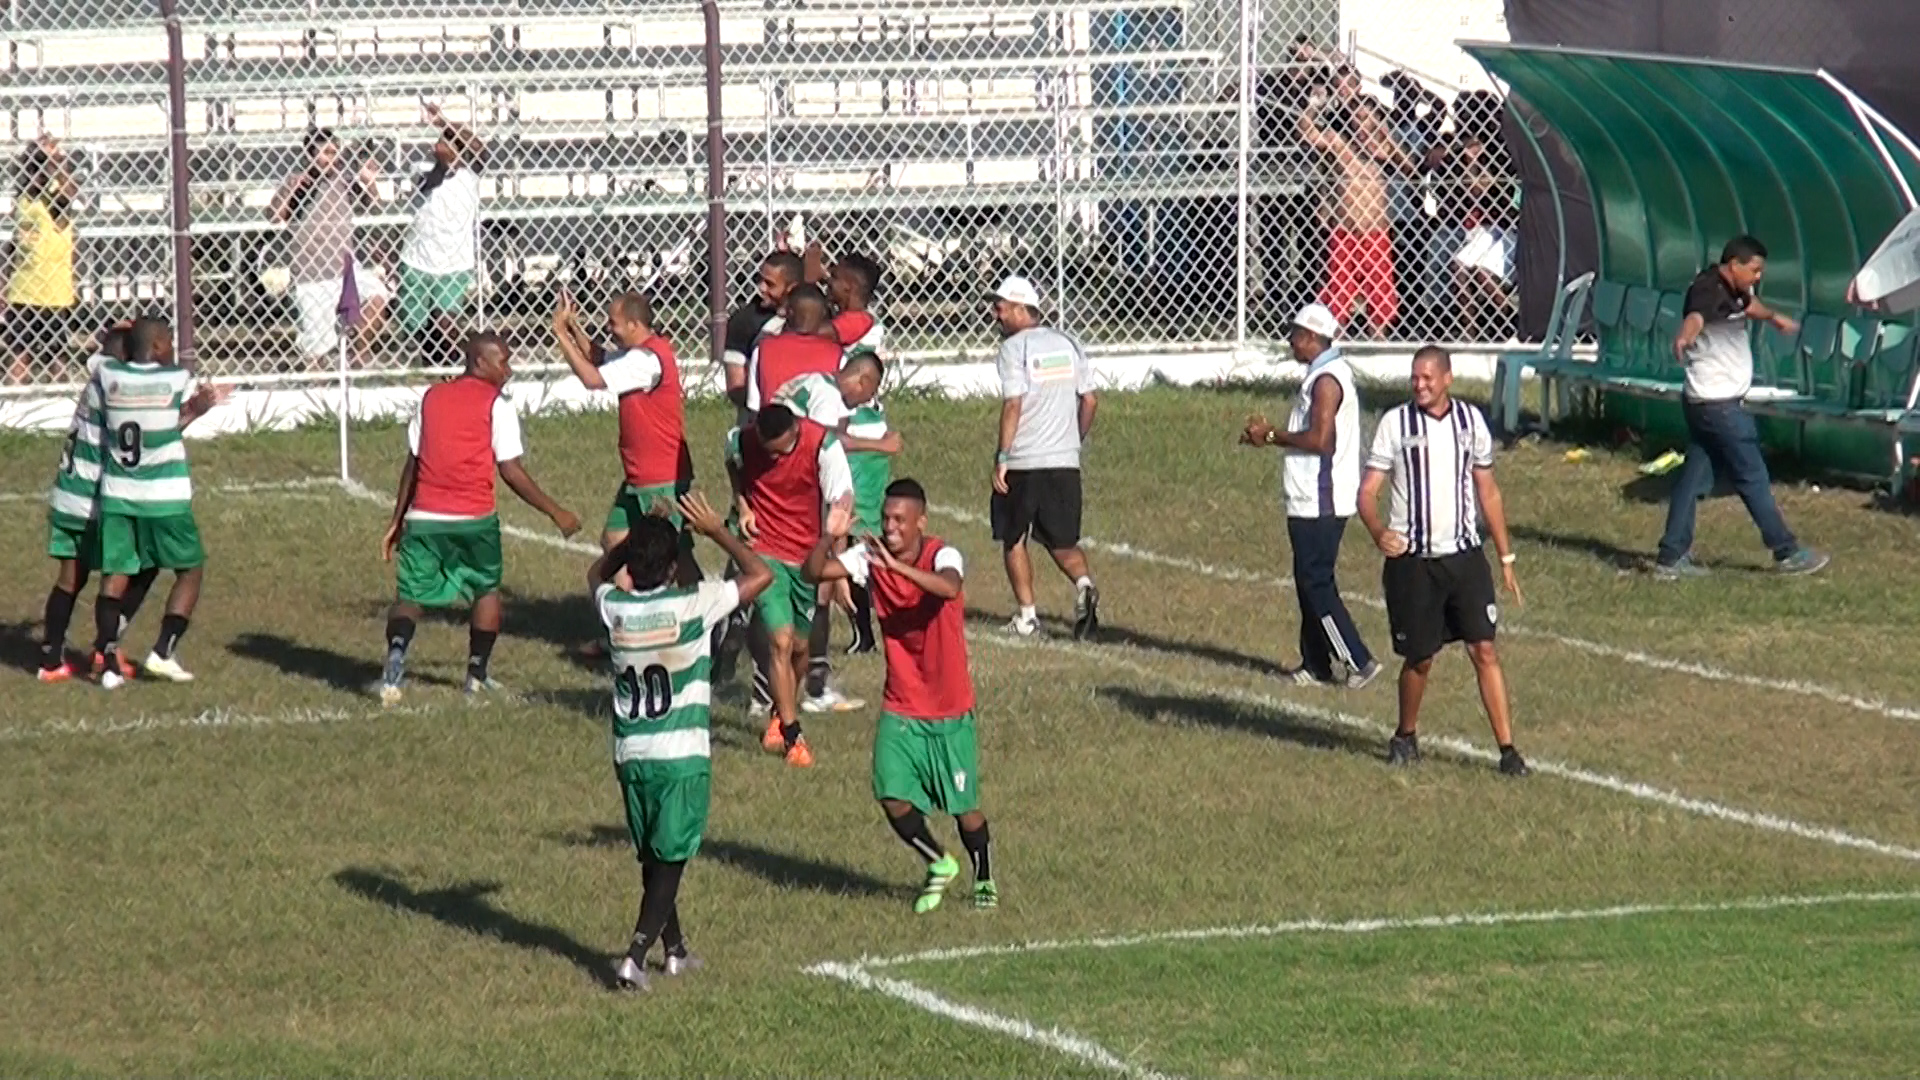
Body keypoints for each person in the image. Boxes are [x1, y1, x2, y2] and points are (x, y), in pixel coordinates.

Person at [590, 493, 773, 992]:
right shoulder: (691, 605)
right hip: (680, 755)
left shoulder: (617, 610)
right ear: (673, 567)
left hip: (630, 754)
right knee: (671, 857)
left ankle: (675, 950)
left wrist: (626, 545)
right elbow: (760, 575)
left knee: (654, 854)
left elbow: (595, 578)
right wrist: (716, 530)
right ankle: (634, 955)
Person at [803, 479, 998, 913]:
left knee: (965, 809)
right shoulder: (869, 557)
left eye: (899, 520)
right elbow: (813, 573)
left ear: (920, 523)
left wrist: (896, 569)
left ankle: (983, 872)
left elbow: (948, 587)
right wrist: (830, 536)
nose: (889, 526)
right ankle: (939, 863)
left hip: (949, 707)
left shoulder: (943, 554)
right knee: (890, 793)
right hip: (902, 702)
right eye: (886, 518)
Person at [377, 332, 581, 703]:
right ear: (480, 362)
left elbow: (414, 463)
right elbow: (511, 470)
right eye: (503, 361)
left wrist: (397, 519)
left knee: (409, 594)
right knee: (486, 589)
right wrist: (557, 511)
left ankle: (395, 658)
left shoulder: (432, 397)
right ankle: (476, 674)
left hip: (424, 517)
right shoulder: (496, 404)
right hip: (474, 517)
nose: (510, 369)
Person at [1356, 346, 1529, 776]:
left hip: (1465, 558)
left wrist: (1505, 556)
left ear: (1448, 378)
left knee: (1484, 648)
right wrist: (1379, 532)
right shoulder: (1395, 423)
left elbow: (1487, 491)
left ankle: (1507, 750)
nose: (1420, 384)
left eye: (1428, 377)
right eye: (1415, 377)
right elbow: (1367, 492)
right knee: (1420, 658)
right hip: (1414, 562)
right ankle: (1405, 734)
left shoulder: (1471, 422)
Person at [1655, 236, 1829, 579]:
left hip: (1705, 403)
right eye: (1754, 270)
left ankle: (1671, 557)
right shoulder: (1706, 291)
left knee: (1693, 478)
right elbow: (1695, 318)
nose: (1758, 277)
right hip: (1719, 406)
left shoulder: (1731, 288)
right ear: (1734, 264)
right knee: (1752, 477)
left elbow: (1748, 305)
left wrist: (1774, 318)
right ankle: (1786, 551)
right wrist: (1684, 337)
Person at [1240, 303, 1380, 689]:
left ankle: (1357, 658)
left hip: (1322, 496)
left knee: (1316, 580)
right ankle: (1315, 662)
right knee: (1306, 579)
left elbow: (1321, 440)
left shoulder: (1326, 381)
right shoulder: (1322, 375)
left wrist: (1270, 436)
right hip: (1310, 494)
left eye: (1295, 333)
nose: (1290, 340)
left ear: (1311, 338)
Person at [85, 317, 230, 688]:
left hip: (118, 496)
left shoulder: (109, 376)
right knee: (190, 570)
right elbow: (177, 411)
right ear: (159, 346)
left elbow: (161, 424)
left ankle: (108, 661)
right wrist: (204, 401)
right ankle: (163, 652)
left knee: (115, 577)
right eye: (168, 341)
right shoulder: (174, 379)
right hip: (164, 498)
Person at [726, 403, 854, 767]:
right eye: (768, 450)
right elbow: (733, 464)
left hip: (806, 556)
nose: (775, 457)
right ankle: (794, 737)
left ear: (796, 429)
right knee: (780, 641)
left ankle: (780, 716)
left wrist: (837, 571)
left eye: (781, 449)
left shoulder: (824, 448)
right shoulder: (740, 440)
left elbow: (840, 513)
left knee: (800, 646)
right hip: (763, 552)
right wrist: (743, 505)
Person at [773, 352, 902, 707]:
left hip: (775, 487)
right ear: (862, 381)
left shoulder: (811, 381)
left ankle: (754, 680)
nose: (868, 401)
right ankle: (813, 686)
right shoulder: (829, 401)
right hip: (799, 494)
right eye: (871, 391)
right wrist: (840, 565)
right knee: (818, 589)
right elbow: (827, 446)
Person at [38, 323, 160, 682]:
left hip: (67, 495)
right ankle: (105, 651)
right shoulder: (114, 386)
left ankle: (51, 659)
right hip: (95, 499)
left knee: (70, 579)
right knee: (142, 563)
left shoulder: (97, 374)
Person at [552, 288, 696, 577]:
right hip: (640, 475)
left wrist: (559, 333)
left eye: (614, 323)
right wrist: (573, 327)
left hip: (658, 476)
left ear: (634, 324)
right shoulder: (642, 353)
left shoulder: (643, 361)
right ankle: (629, 608)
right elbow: (602, 359)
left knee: (674, 554)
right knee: (615, 541)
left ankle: (698, 614)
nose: (610, 328)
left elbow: (593, 379)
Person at [987, 275, 1100, 640]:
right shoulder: (1070, 343)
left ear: (1021, 309)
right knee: (1062, 540)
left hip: (1024, 460)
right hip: (1064, 461)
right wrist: (1074, 440)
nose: (995, 314)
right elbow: (1090, 400)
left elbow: (1013, 404)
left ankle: (1027, 615)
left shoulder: (1013, 349)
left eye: (1001, 307)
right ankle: (1084, 585)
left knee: (1013, 537)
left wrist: (1003, 456)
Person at [1298, 67, 1415, 338]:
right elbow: (1308, 134)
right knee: (1339, 287)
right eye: (1356, 119)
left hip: (1375, 229)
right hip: (1345, 229)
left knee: (1380, 286)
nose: (1360, 125)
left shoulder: (1383, 146)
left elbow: (1410, 168)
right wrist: (1313, 107)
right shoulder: (1341, 144)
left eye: (1366, 119)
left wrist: (1387, 142)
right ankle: (1336, 334)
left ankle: (1378, 336)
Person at [270, 128, 388, 369]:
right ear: (310, 155)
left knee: (377, 297)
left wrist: (370, 183)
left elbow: (375, 208)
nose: (330, 159)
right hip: (312, 272)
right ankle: (318, 383)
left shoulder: (344, 181)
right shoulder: (300, 184)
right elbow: (273, 216)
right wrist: (290, 188)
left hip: (345, 267)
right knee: (317, 348)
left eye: (334, 153)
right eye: (324, 153)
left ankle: (358, 358)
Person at [397, 104, 484, 367]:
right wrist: (442, 163)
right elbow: (429, 183)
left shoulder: (470, 176)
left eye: (452, 145)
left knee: (446, 320)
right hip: (418, 259)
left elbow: (479, 148)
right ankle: (429, 361)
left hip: (455, 261)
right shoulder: (422, 167)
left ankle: (451, 363)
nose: (445, 147)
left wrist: (443, 122)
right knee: (417, 324)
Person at [6, 135, 78, 384]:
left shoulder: (54, 201)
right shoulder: (24, 201)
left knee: (57, 354)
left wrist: (55, 160)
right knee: (18, 352)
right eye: (32, 168)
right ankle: (13, 404)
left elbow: (69, 191)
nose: (35, 176)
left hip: (53, 292)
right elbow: (13, 246)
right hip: (22, 290)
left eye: (40, 168)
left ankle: (60, 396)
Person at [721, 250, 805, 412]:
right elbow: (735, 387)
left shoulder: (813, 319)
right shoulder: (744, 321)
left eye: (770, 284)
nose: (761, 288)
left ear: (791, 288)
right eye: (761, 280)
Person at [746, 283, 843, 416]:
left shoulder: (763, 350)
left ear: (787, 312)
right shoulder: (838, 354)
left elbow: (754, 406)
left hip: (774, 431)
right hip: (820, 433)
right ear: (824, 314)